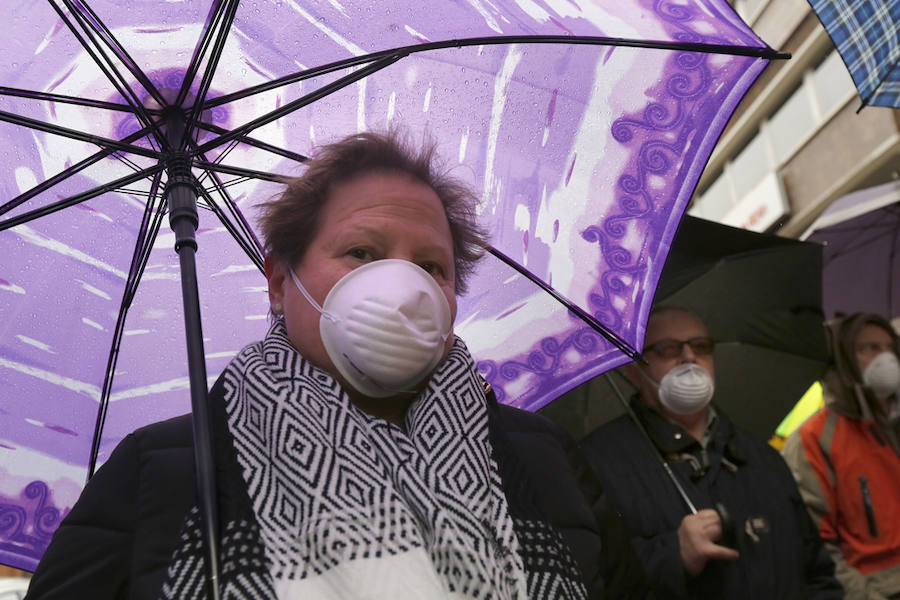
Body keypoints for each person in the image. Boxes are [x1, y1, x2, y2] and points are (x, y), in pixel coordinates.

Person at [25, 131, 649, 600]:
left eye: (432, 266)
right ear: (279, 283)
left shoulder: (541, 455)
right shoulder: (160, 470)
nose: (403, 285)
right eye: (361, 252)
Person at [579, 306, 843, 599]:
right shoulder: (597, 462)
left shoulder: (760, 456)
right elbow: (594, 580)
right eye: (667, 349)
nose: (690, 357)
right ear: (633, 370)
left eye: (701, 347)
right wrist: (671, 556)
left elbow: (817, 571)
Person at [783, 312, 900, 599]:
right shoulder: (814, 438)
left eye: (890, 349)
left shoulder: (891, 428)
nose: (886, 360)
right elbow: (815, 548)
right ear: (845, 359)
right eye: (870, 348)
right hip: (874, 590)